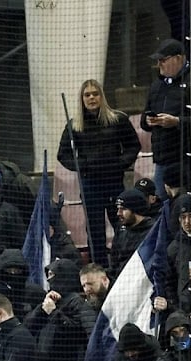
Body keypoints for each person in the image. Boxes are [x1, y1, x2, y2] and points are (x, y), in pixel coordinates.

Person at [57, 79, 141, 266]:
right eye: (87, 95)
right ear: (82, 99)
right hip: (90, 185)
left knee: (121, 224)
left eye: (95, 94)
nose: (91, 98)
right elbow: (63, 154)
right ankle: (99, 269)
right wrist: (81, 165)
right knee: (94, 230)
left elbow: (133, 145)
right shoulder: (75, 126)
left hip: (113, 182)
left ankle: (122, 265)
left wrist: (120, 163)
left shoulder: (117, 119)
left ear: (101, 96)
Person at [140, 38, 191, 199]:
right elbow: (144, 118)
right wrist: (148, 121)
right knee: (161, 202)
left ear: (179, 58)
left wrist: (176, 122)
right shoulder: (156, 86)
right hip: (162, 159)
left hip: (185, 159)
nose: (159, 65)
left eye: (163, 60)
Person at [110, 190, 155, 281]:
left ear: (135, 210)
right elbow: (114, 260)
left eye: (123, 209)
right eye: (118, 209)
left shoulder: (152, 231)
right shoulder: (121, 228)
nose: (118, 213)